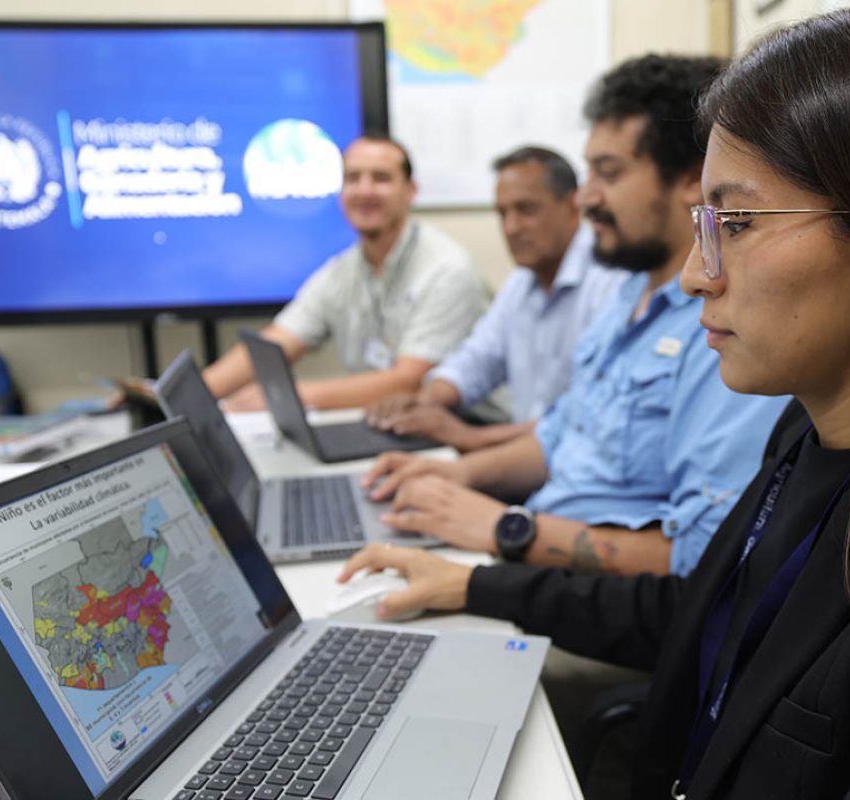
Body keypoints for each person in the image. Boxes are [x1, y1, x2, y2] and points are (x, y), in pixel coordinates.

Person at [339, 1, 850, 797]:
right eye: (704, 222)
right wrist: (478, 584)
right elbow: (706, 616)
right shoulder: (810, 432)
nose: (696, 274)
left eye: (738, 221)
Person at [362, 55, 788, 578]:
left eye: (609, 173)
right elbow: (562, 436)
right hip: (535, 548)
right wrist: (455, 475)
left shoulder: (723, 329)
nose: (585, 196)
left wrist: (504, 529)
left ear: (688, 180)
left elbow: (704, 559)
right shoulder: (629, 293)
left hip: (580, 586)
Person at [365, 145, 626, 452]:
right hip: (523, 456)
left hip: (573, 462)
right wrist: (425, 400)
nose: (511, 228)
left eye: (526, 210)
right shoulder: (521, 283)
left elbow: (587, 417)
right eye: (502, 214)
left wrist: (470, 438)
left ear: (572, 205)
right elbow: (477, 360)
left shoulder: (613, 283)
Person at [202, 133, 487, 411]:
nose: (364, 191)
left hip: (470, 426)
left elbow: (410, 383)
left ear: (410, 191)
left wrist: (289, 396)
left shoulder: (447, 270)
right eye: (353, 178)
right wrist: (195, 395)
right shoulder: (343, 271)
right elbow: (279, 341)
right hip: (394, 421)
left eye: (381, 178)